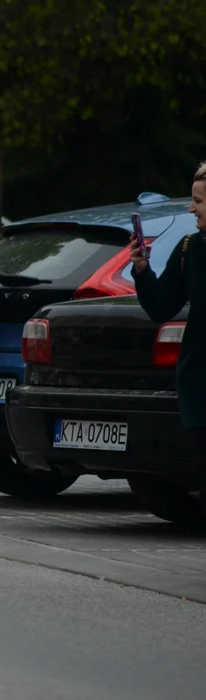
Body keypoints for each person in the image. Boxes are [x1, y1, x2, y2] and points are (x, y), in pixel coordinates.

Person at [131, 162, 206, 512]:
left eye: (199, 202)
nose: (192, 208)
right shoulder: (191, 249)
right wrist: (143, 270)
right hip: (199, 384)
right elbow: (161, 306)